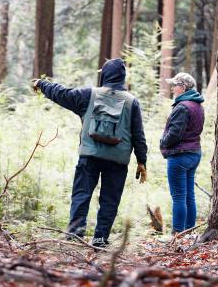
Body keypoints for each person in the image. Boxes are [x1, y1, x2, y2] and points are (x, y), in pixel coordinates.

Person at [32, 58, 148, 248]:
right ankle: (100, 240)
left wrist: (42, 84)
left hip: (90, 155)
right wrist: (141, 161)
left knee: (81, 195)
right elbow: (138, 135)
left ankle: (74, 237)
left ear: (105, 75)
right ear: (122, 77)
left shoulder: (88, 94)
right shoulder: (132, 102)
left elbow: (62, 93)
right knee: (110, 200)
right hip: (117, 160)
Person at [159, 73, 205, 234]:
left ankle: (177, 233)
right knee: (189, 196)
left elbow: (175, 134)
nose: (172, 88)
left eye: (174, 85)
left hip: (180, 156)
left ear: (183, 88)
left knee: (179, 196)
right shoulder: (197, 105)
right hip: (194, 154)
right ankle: (189, 230)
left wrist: (162, 141)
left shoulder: (183, 106)